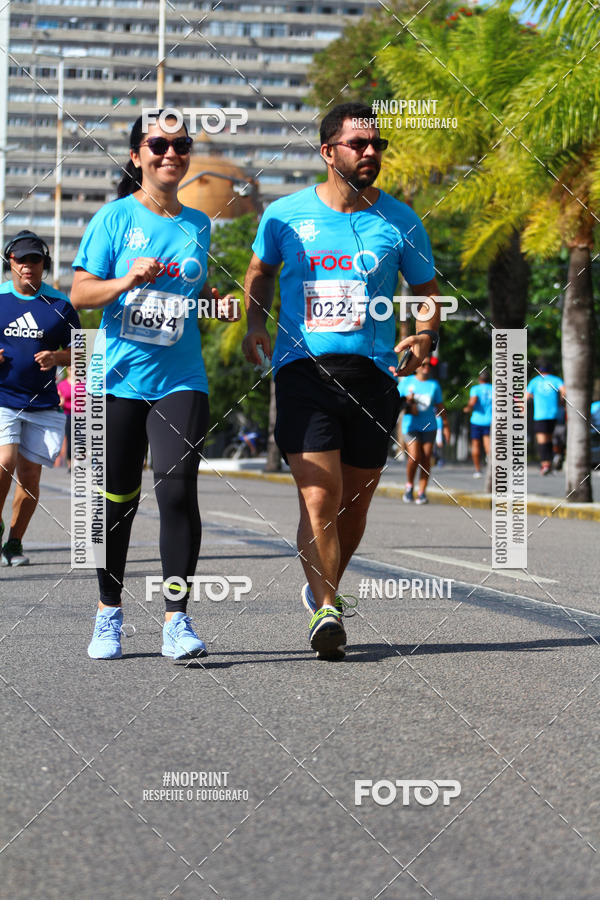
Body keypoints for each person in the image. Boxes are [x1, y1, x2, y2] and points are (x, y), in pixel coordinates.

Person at [242, 101, 441, 660]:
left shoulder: (400, 220)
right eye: (359, 144)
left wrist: (426, 337)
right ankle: (328, 608)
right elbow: (259, 271)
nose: (371, 152)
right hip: (304, 369)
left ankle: (319, 586)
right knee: (320, 496)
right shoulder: (285, 214)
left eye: (376, 144)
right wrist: (255, 323)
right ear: (328, 152)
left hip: (373, 375)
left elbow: (427, 297)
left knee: (354, 506)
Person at [71, 112, 238, 661]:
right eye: (159, 144)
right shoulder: (113, 219)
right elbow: (80, 295)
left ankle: (176, 619)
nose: (172, 153)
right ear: (138, 155)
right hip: (117, 380)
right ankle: (108, 615)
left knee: (176, 490)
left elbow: (193, 289)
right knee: (116, 500)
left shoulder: (198, 224)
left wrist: (215, 300)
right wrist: (126, 281)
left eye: (181, 145)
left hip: (180, 379)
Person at [0, 231, 79, 566]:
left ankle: (14, 543)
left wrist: (58, 358)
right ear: (10, 262)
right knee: (5, 461)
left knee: (31, 475)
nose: (27, 266)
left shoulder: (59, 305)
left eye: (35, 260)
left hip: (43, 404)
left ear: (44, 263)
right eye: (21, 260)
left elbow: (88, 351)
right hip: (3, 398)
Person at [399, 358, 450, 504]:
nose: (427, 367)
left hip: (430, 426)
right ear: (417, 367)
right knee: (414, 456)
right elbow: (397, 401)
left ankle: (422, 492)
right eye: (424, 364)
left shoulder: (434, 385)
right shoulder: (407, 382)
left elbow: (440, 407)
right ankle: (409, 486)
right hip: (410, 426)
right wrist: (407, 401)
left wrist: (446, 426)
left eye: (429, 364)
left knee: (427, 457)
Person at [527, 361, 566, 475]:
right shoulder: (556, 379)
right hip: (554, 414)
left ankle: (545, 464)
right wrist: (561, 402)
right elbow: (564, 392)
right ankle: (554, 457)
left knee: (542, 440)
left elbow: (526, 396)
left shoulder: (534, 381)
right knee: (550, 438)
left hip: (540, 415)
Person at [463, 367, 492, 478]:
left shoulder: (475, 389)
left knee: (475, 445)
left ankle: (478, 470)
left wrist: (468, 408)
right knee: (487, 444)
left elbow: (473, 401)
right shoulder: (494, 389)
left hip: (476, 420)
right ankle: (490, 464)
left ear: (479, 379)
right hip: (490, 420)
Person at [57, 366, 74, 472]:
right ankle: (70, 464)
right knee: (70, 440)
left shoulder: (83, 384)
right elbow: (59, 402)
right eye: (72, 369)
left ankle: (78, 462)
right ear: (67, 370)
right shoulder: (62, 384)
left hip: (82, 415)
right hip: (68, 414)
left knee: (81, 441)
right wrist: (61, 402)